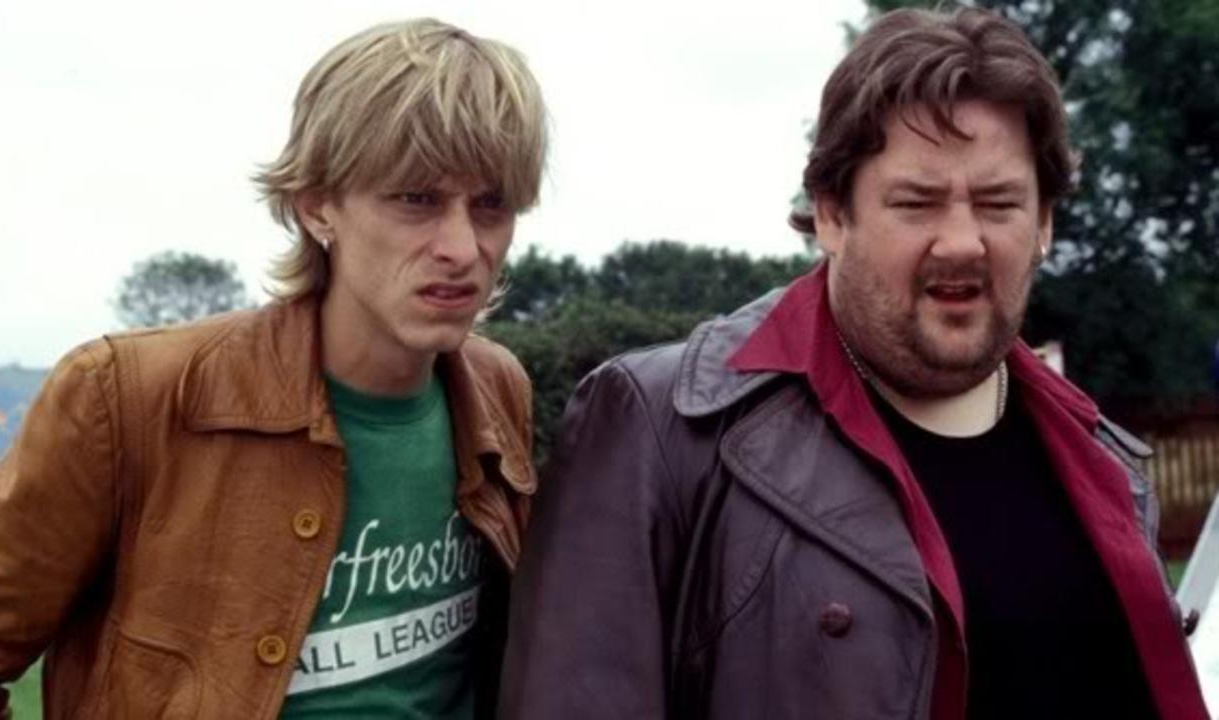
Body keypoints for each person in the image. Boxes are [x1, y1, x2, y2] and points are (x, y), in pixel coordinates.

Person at [500, 7, 1206, 719]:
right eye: (917, 203)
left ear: (1045, 221)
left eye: (998, 204)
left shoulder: (1105, 463)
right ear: (832, 215)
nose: (963, 242)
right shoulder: (661, 432)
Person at [0, 18, 545, 719]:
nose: (462, 248)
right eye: (417, 199)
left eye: (491, 205)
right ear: (317, 206)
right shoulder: (125, 398)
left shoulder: (496, 390)